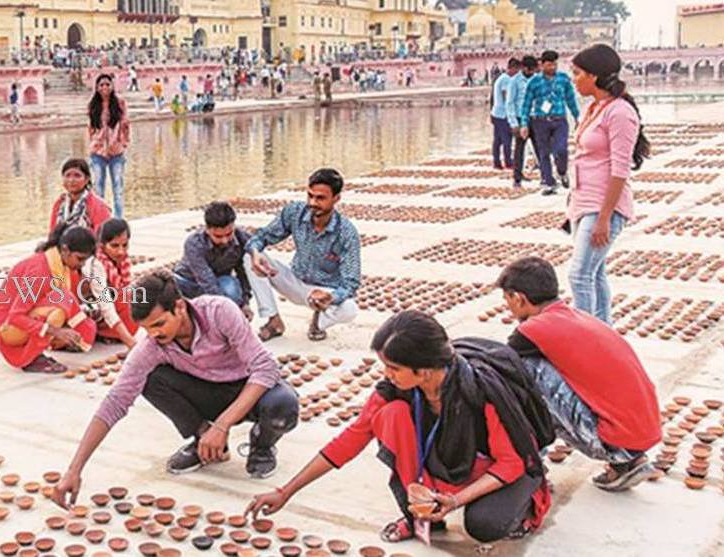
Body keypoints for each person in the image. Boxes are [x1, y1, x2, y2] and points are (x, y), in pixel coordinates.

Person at [246, 311, 554, 545]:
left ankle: (526, 503)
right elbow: (350, 440)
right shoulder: (397, 390)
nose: (387, 374)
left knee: (485, 525)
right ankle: (420, 515)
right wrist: (286, 492)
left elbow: (512, 462)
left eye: (394, 367)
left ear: (424, 369)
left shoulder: (480, 391)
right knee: (391, 415)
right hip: (452, 464)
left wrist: (457, 501)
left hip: (502, 467)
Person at [52, 271, 299, 496]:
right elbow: (115, 401)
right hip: (208, 393)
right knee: (149, 377)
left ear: (179, 307)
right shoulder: (152, 346)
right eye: (147, 329)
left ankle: (262, 446)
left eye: (159, 324)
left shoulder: (220, 312)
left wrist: (222, 425)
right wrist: (74, 470)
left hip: (247, 389)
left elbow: (265, 368)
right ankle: (203, 439)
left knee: (284, 406)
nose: (154, 335)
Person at [496, 257, 660, 491]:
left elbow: (498, 363)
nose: (508, 307)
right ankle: (629, 463)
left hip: (613, 440)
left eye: (507, 300)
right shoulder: (576, 316)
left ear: (518, 298)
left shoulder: (533, 329)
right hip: (640, 434)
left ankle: (530, 469)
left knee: (521, 371)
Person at [565, 44, 650, 322]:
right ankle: (603, 333)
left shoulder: (620, 112)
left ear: (594, 76)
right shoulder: (595, 108)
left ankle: (586, 340)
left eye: (577, 73)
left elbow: (620, 169)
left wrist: (604, 217)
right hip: (584, 201)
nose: (574, 79)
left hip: (604, 206)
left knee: (579, 275)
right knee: (595, 273)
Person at [245, 168, 361, 342]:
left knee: (349, 309)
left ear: (336, 199)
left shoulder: (346, 232)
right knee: (249, 256)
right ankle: (273, 320)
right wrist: (255, 254)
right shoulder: (295, 212)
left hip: (323, 291)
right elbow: (262, 237)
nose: (313, 202)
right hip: (293, 280)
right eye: (310, 195)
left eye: (320, 198)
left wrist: (331, 297)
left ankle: (318, 323)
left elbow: (351, 282)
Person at [0, 226, 100, 373]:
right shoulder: (39, 271)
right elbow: (15, 316)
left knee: (67, 304)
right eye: (79, 259)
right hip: (6, 327)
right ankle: (31, 358)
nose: (81, 265)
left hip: (24, 318)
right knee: (58, 310)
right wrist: (55, 331)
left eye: (84, 261)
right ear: (65, 250)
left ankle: (42, 346)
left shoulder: (59, 265)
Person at [174, 201, 252, 316]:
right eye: (218, 236)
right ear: (207, 229)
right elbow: (207, 280)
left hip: (220, 282)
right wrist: (227, 309)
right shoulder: (194, 243)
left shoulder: (243, 239)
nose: (225, 241)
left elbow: (244, 273)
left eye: (229, 234)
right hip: (187, 283)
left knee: (231, 289)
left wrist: (244, 303)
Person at [519, 50, 580, 195]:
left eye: (554, 64)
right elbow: (526, 104)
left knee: (561, 150)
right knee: (543, 152)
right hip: (540, 121)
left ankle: (562, 171)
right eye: (549, 64)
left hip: (559, 120)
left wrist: (578, 117)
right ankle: (548, 182)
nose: (552, 67)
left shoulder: (563, 79)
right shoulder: (534, 82)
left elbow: (571, 99)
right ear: (542, 64)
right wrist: (524, 124)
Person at [78, 218, 139, 348]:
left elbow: (126, 288)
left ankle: (109, 332)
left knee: (136, 300)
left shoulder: (123, 261)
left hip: (105, 305)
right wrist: (129, 341)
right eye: (114, 246)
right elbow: (104, 303)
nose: (121, 251)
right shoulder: (96, 264)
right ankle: (103, 332)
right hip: (88, 307)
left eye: (124, 245)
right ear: (102, 245)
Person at [87, 74, 130, 219]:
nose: (104, 87)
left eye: (107, 84)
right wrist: (92, 143)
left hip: (116, 152)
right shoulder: (93, 105)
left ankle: (118, 220)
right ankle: (101, 219)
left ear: (112, 86)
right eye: (101, 85)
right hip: (97, 152)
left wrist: (124, 142)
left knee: (118, 187)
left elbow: (125, 124)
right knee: (98, 188)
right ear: (97, 88)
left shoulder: (119, 103)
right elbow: (91, 127)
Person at [49, 157, 114, 234]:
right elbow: (52, 233)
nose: (71, 180)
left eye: (77, 176)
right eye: (67, 175)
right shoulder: (59, 204)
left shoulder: (98, 206)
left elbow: (103, 238)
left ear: (86, 179)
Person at [505, 55, 538, 188]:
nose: (532, 73)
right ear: (524, 68)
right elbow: (510, 103)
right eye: (530, 70)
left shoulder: (536, 80)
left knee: (540, 148)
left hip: (535, 117)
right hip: (520, 119)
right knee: (519, 150)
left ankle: (547, 177)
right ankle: (517, 178)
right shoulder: (514, 81)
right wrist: (513, 123)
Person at [490, 58, 517, 169]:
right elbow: (507, 98)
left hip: (496, 113)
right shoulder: (506, 79)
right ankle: (508, 162)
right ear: (512, 68)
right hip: (503, 114)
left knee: (498, 140)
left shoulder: (501, 78)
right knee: (507, 140)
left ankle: (497, 162)